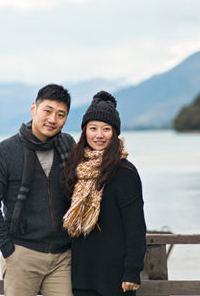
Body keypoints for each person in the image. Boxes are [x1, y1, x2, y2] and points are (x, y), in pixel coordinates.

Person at [0, 83, 76, 296]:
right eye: (48, 111)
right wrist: (8, 251)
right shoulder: (6, 151)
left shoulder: (68, 145)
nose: (53, 119)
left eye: (61, 115)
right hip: (22, 254)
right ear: (34, 108)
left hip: (62, 256)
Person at [63, 91, 147, 296]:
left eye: (106, 129)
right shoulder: (75, 168)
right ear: (85, 131)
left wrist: (132, 271)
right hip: (81, 273)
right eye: (93, 128)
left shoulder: (125, 172)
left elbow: (135, 225)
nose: (99, 135)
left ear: (114, 133)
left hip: (115, 276)